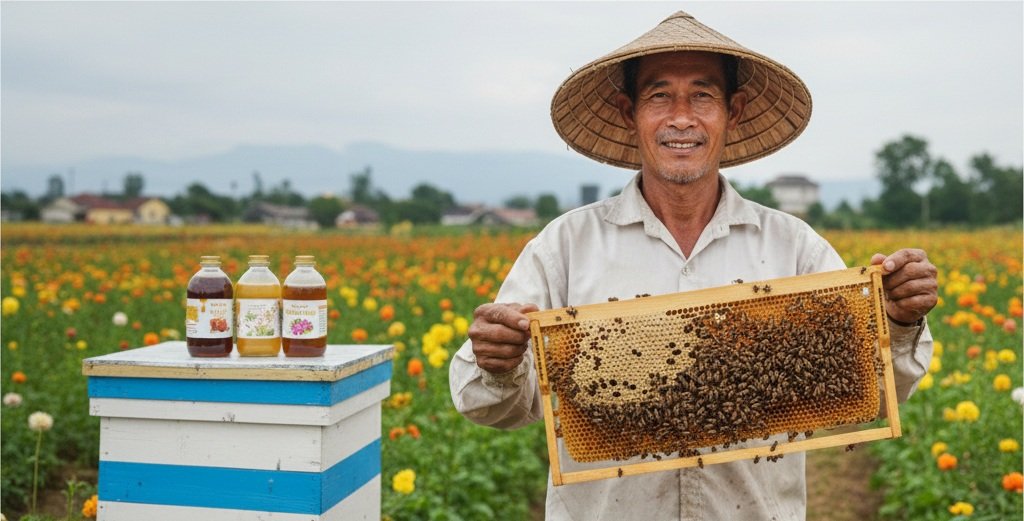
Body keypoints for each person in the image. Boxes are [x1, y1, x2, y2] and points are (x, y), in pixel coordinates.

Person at [449, 10, 937, 521]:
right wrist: (499, 361)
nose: (681, 117)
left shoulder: (795, 248)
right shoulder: (565, 246)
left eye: (702, 95)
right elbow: (489, 406)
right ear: (627, 111)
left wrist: (897, 322)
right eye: (660, 95)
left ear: (735, 109)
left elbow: (876, 392)